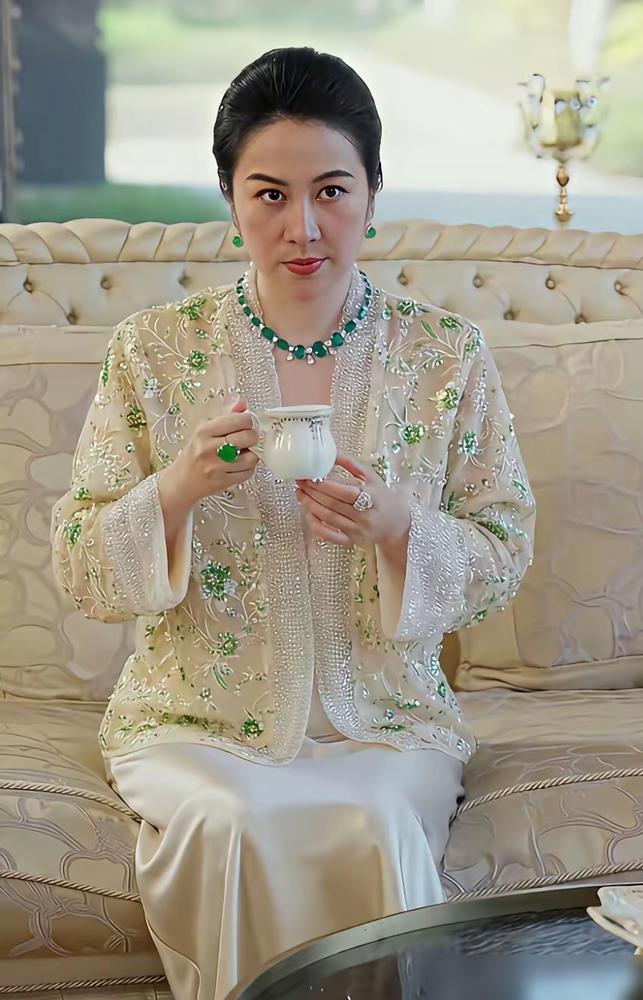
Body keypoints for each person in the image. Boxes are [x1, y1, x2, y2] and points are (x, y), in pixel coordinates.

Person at [51, 47, 535, 1000]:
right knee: (233, 820)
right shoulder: (153, 351)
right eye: (269, 194)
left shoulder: (444, 355)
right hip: (195, 722)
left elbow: (504, 543)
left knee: (375, 821)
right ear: (229, 198)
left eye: (331, 191)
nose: (302, 227)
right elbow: (78, 558)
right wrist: (178, 489)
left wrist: (398, 526)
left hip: (387, 723)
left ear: (373, 191)